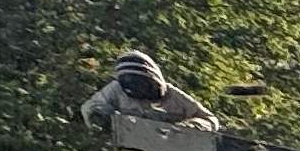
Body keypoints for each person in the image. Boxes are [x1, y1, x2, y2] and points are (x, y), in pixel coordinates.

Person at [82, 51, 216, 137]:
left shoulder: (173, 96)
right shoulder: (116, 89)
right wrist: (104, 118)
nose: (139, 90)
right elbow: (91, 107)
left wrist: (185, 128)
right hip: (127, 147)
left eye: (142, 85)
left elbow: (210, 120)